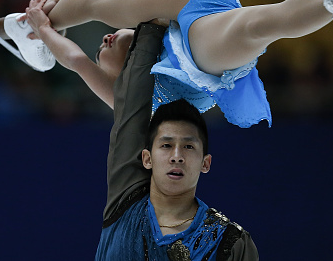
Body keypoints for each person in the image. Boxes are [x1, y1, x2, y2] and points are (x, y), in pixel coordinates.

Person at [0, 0, 333, 127]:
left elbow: (81, 61)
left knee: (105, 7)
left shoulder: (125, 94)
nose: (104, 42)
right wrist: (45, 24)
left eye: (102, 47)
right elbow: (81, 59)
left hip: (193, 10)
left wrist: (45, 17)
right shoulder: (142, 95)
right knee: (261, 25)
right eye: (106, 49)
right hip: (207, 56)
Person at [94, 21, 258, 260]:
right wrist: (152, 28)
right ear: (147, 158)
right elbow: (132, 109)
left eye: (189, 146)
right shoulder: (125, 200)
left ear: (206, 163)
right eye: (166, 145)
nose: (177, 156)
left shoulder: (230, 241)